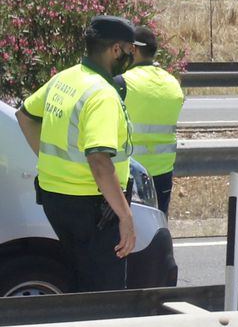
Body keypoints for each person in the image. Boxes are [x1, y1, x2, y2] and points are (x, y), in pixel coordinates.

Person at [15, 15, 140, 292]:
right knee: (104, 293)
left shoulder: (65, 79)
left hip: (55, 198)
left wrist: (49, 162)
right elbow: (99, 159)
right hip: (92, 207)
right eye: (131, 49)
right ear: (116, 49)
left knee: (79, 278)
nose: (133, 56)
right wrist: (125, 216)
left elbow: (24, 116)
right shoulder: (102, 95)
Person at [119, 25, 186, 215]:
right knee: (158, 229)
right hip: (163, 173)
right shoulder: (173, 83)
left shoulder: (122, 83)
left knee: (128, 236)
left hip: (130, 174)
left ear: (133, 49)